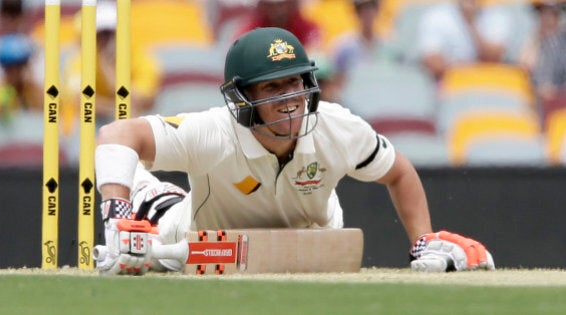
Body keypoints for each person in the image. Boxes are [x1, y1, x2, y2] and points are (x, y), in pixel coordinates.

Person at [92, 27, 495, 275]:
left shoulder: (339, 126)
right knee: (152, 201)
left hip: (311, 245)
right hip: (189, 233)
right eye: (272, 87)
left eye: (296, 83)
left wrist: (421, 240)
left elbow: (399, 172)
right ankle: (146, 196)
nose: (291, 99)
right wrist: (117, 213)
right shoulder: (215, 130)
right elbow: (116, 135)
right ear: (243, 98)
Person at [62, 0, 160, 130]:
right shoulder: (82, 59)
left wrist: (110, 72)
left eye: (110, 33)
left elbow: (142, 101)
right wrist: (118, 109)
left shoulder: (142, 59)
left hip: (128, 122)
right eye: (100, 34)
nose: (105, 40)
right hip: (92, 123)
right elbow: (82, 102)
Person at [415, 0, 513, 82]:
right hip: (450, 83)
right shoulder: (436, 15)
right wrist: (467, 70)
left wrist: (471, 23)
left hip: (489, 81)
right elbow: (434, 63)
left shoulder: (497, 14)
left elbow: (492, 58)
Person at [0, 33, 43, 123]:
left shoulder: (35, 91)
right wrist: (0, 107)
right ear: (4, 69)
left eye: (20, 66)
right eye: (11, 68)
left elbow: (51, 117)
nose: (16, 72)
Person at [518, 0, 566, 106]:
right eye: (542, 13)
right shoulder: (533, 40)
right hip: (538, 103)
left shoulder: (562, 41)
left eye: (552, 14)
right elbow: (524, 66)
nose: (546, 19)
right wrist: (536, 39)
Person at [233, 0, 322, 50]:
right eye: (271, 6)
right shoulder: (250, 30)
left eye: (283, 4)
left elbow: (315, 52)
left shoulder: (307, 27)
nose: (279, 11)